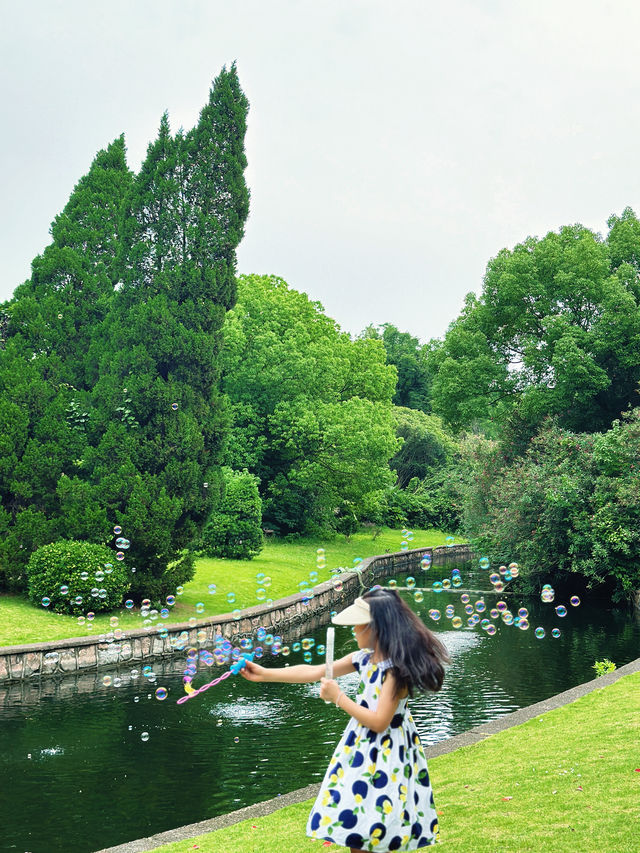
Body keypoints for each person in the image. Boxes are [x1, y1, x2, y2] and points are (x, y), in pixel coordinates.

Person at [240, 586, 450, 852]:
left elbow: (380, 722)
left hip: (387, 756)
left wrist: (339, 698)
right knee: (357, 828)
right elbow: (316, 671)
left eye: (357, 624)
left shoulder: (396, 671)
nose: (352, 630)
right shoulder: (363, 659)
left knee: (379, 827)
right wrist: (265, 673)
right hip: (361, 751)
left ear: (376, 627)